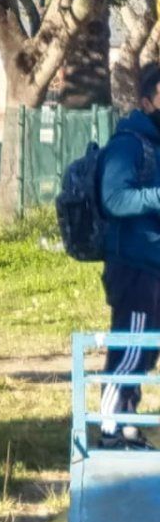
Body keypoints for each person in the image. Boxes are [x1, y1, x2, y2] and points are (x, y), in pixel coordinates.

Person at [96, 61, 160, 450]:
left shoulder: (155, 146)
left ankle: (130, 427)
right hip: (133, 266)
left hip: (153, 266)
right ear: (146, 100)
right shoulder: (129, 143)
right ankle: (109, 429)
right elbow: (115, 198)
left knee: (147, 349)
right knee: (131, 345)